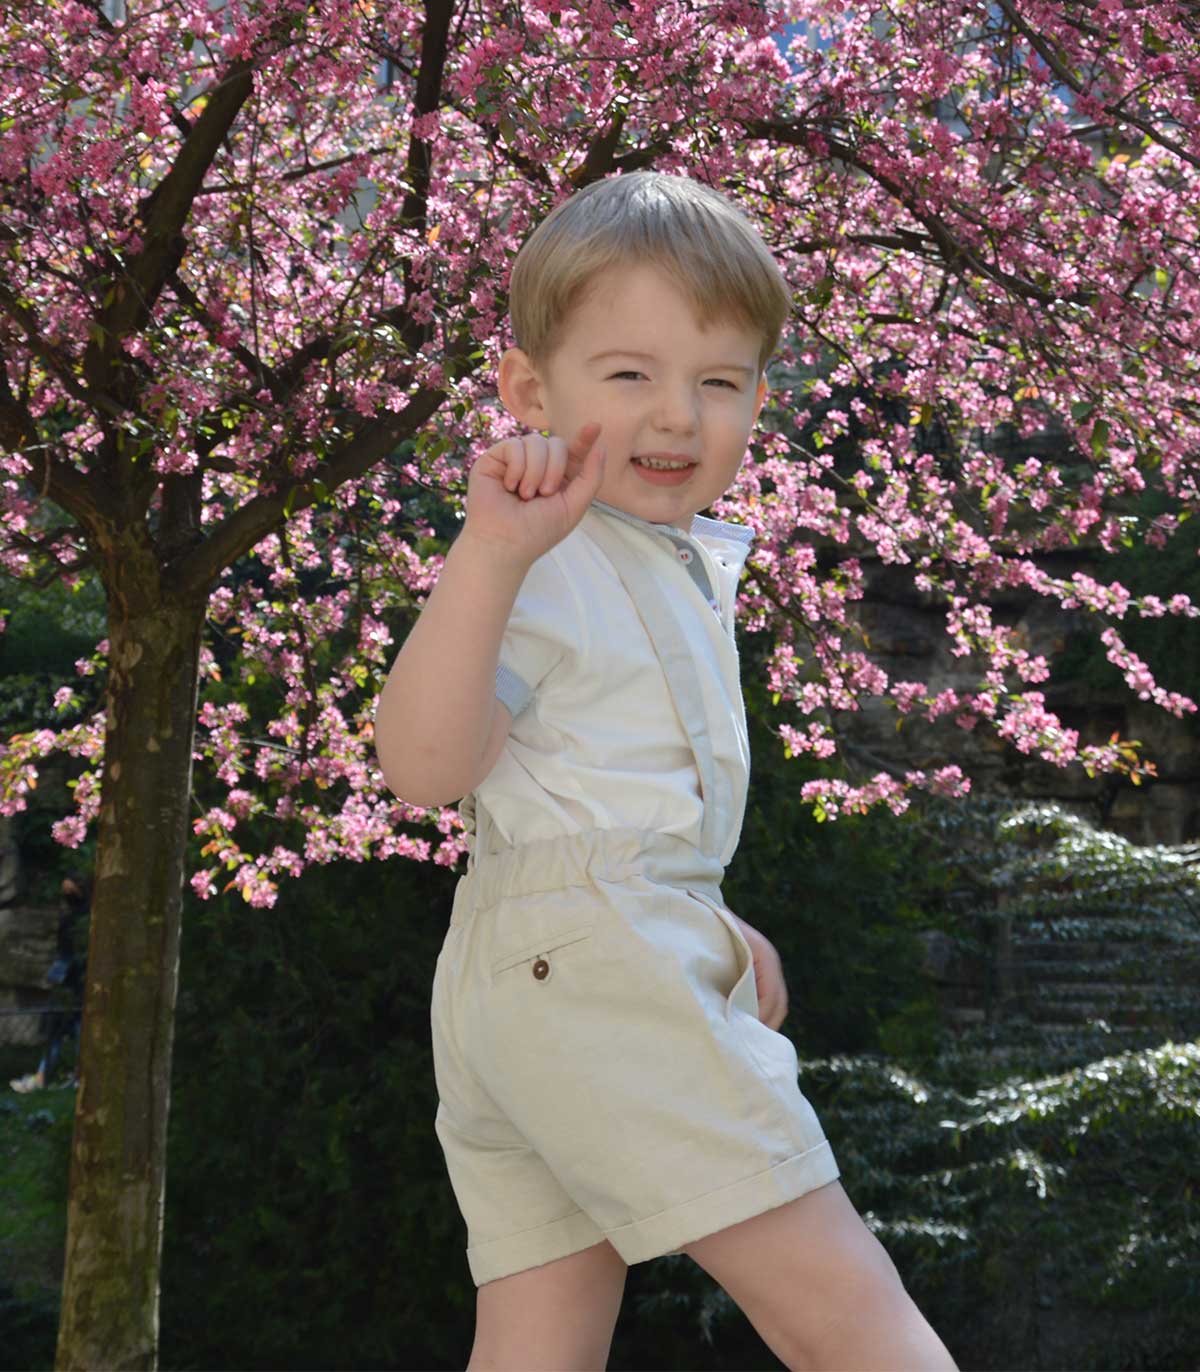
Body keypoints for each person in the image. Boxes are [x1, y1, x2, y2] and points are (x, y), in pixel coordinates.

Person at [374, 171, 958, 1372]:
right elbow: (427, 769)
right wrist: (486, 556)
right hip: (590, 971)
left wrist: (710, 919)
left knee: (538, 1345)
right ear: (532, 392)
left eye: (720, 383)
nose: (678, 418)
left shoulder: (651, 556)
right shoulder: (547, 553)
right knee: (855, 1320)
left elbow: (593, 799)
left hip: (530, 974)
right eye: (630, 375)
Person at [10, 875, 89, 1093]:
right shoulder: (74, 916)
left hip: (77, 983)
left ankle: (70, 1077)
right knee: (61, 1032)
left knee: (77, 1031)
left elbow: (70, 955)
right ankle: (45, 1076)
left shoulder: (83, 919)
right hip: (69, 983)